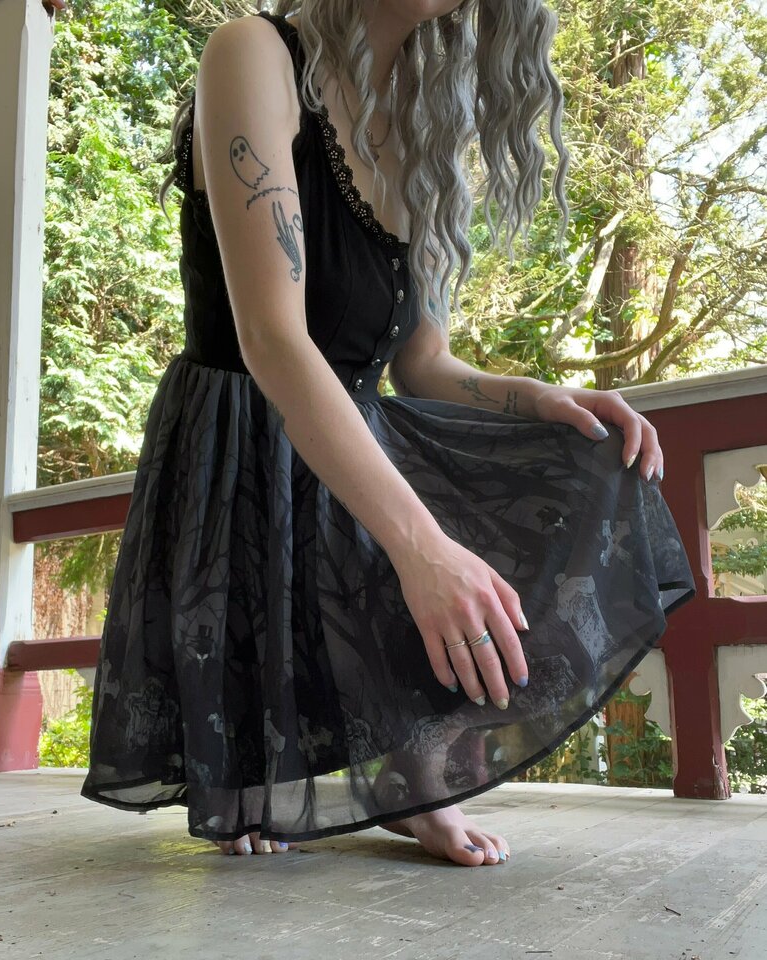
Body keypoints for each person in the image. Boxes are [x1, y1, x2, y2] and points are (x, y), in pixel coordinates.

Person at [79, 1, 696, 867]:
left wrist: (539, 397)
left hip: (356, 435)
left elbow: (424, 364)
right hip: (240, 445)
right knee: (404, 552)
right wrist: (422, 549)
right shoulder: (255, 53)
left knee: (596, 462)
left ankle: (417, 765)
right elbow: (274, 341)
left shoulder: (421, 124)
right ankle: (266, 760)